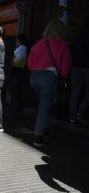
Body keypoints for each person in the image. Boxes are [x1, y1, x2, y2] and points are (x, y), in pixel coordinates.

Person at [27, 19, 71, 147]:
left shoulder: (40, 43)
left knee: (43, 105)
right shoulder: (62, 44)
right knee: (44, 107)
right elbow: (65, 66)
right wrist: (62, 74)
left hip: (34, 77)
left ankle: (45, 129)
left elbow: (30, 63)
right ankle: (38, 136)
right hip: (49, 78)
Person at [69, 17, 89, 126]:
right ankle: (80, 113)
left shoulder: (79, 34)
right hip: (87, 66)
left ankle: (72, 117)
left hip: (75, 66)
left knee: (75, 91)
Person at [10, 33, 28, 118]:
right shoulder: (23, 48)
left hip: (17, 72)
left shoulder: (22, 48)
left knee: (15, 92)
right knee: (17, 92)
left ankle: (15, 110)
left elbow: (19, 60)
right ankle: (16, 110)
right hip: (20, 73)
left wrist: (12, 60)